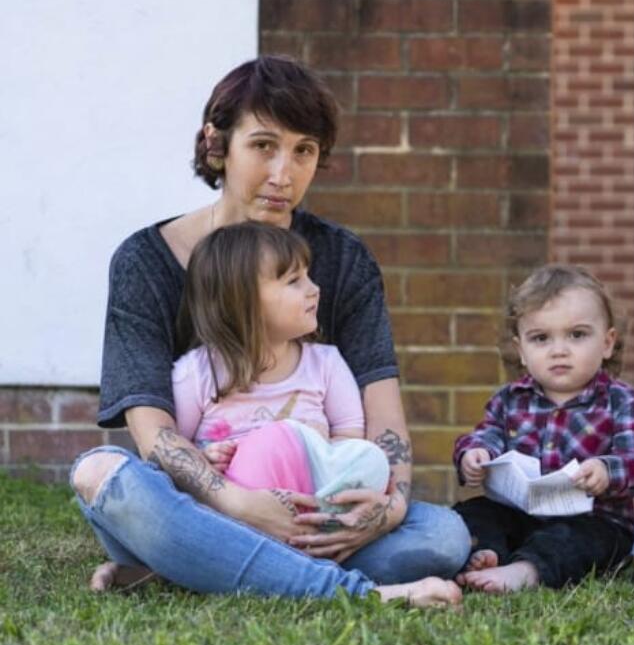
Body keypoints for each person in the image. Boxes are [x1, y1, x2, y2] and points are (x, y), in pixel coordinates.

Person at [70, 56, 468, 606]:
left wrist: (389, 506)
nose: (284, 175)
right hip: (207, 500)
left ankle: (196, 563)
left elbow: (383, 415)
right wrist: (236, 503)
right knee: (102, 475)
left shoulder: (343, 259)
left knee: (442, 536)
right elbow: (154, 434)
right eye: (263, 146)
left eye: (303, 151)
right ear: (217, 144)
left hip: (313, 504)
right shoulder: (145, 261)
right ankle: (348, 592)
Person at [452, 265, 634, 593]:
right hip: (520, 513)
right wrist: (473, 454)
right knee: (473, 512)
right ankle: (487, 553)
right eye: (541, 338)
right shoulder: (509, 399)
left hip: (594, 521)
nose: (558, 349)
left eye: (577, 335)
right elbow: (486, 434)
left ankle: (525, 570)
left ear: (607, 342)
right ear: (521, 350)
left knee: (574, 540)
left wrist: (607, 470)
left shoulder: (620, 399)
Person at [174, 222, 390, 513]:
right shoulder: (195, 373)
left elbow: (350, 438)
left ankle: (315, 537)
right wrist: (206, 459)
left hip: (310, 502)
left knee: (373, 458)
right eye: (294, 281)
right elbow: (174, 453)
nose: (314, 289)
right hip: (231, 511)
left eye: (308, 276)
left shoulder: (325, 364)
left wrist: (313, 446)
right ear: (241, 299)